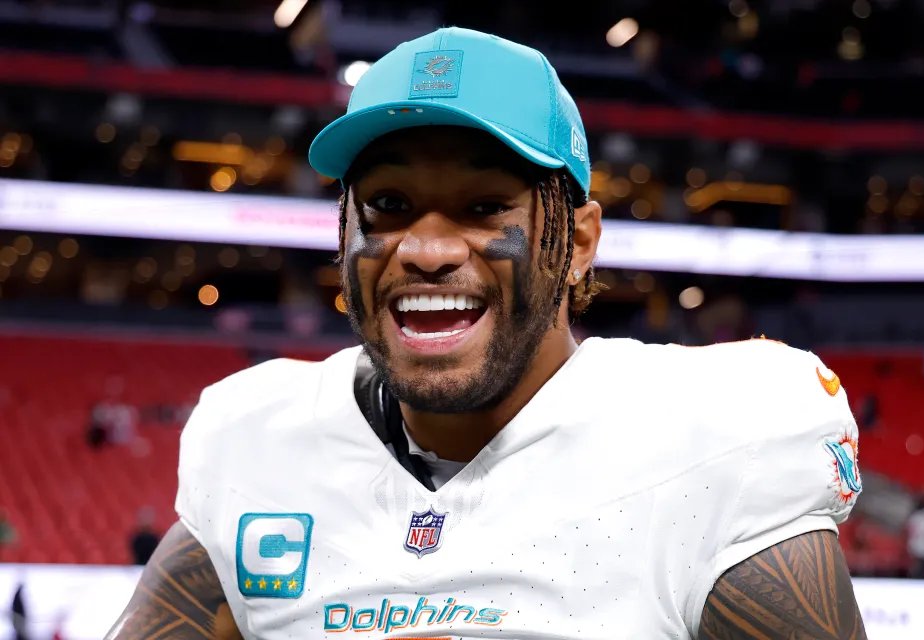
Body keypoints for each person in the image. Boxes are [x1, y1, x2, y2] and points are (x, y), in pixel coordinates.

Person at [107, 27, 865, 639]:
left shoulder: (711, 445)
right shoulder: (262, 444)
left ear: (579, 243)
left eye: (483, 207)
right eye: (389, 204)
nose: (426, 249)